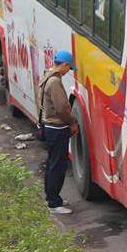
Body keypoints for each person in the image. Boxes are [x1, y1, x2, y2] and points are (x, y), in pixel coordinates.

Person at [36, 50, 79, 215]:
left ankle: (53, 198)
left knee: (53, 164)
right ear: (65, 65)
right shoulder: (55, 82)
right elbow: (61, 108)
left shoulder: (48, 75)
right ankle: (54, 203)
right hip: (57, 128)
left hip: (49, 127)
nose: (68, 71)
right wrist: (72, 122)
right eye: (69, 68)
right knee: (57, 166)